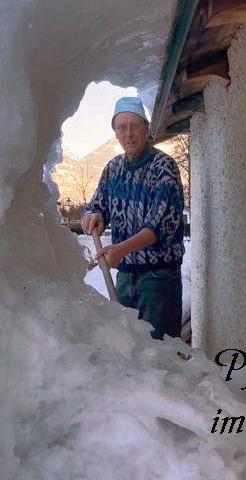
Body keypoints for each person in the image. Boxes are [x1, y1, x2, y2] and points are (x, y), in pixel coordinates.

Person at [81, 97, 185, 339]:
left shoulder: (164, 167)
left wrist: (122, 249)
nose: (128, 133)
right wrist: (93, 215)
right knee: (132, 349)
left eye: (134, 125)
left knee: (160, 353)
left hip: (158, 279)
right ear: (115, 132)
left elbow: (159, 226)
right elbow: (96, 205)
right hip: (126, 276)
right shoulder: (113, 168)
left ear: (146, 128)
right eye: (121, 127)